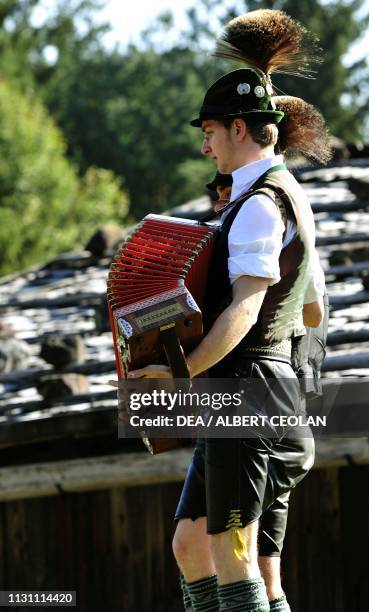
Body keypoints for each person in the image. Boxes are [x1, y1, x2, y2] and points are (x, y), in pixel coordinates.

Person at [118, 9, 332, 611]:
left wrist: (179, 375)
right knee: (193, 544)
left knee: (233, 553)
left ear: (239, 128)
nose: (203, 143)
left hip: (248, 391)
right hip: (258, 392)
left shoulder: (262, 205)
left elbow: (245, 310)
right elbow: (311, 313)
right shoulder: (281, 198)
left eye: (209, 130)